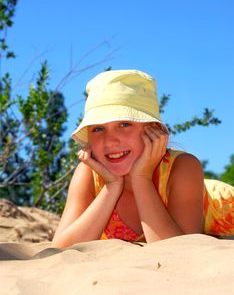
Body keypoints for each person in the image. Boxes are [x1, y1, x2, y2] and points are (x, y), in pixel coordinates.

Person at [52, 69, 234, 248]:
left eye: (124, 124)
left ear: (153, 130)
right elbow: (59, 250)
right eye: (98, 129)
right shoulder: (89, 173)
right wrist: (112, 186)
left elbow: (178, 253)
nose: (110, 140)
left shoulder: (183, 167)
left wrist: (141, 178)